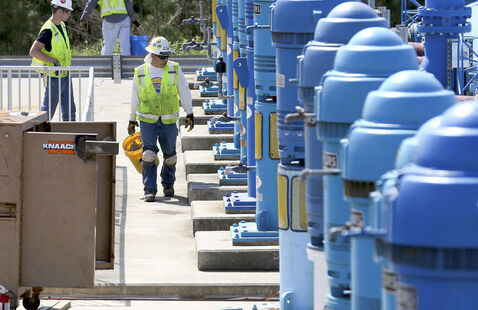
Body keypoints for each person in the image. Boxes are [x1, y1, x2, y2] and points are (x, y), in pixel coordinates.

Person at [128, 37, 194, 202]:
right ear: (152, 54)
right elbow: (134, 96)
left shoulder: (174, 69)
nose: (165, 60)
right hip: (147, 120)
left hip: (168, 120)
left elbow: (184, 90)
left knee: (170, 157)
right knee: (148, 155)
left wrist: (189, 112)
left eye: (167, 56)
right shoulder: (141, 72)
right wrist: (131, 119)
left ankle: (168, 184)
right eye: (161, 56)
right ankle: (149, 190)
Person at [30, 0, 76, 121]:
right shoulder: (48, 29)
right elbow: (34, 51)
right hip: (53, 76)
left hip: (65, 73)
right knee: (47, 111)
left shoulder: (61, 25)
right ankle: (39, 135)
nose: (70, 14)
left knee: (70, 110)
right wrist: (54, 61)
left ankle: (71, 136)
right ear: (60, 11)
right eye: (68, 12)